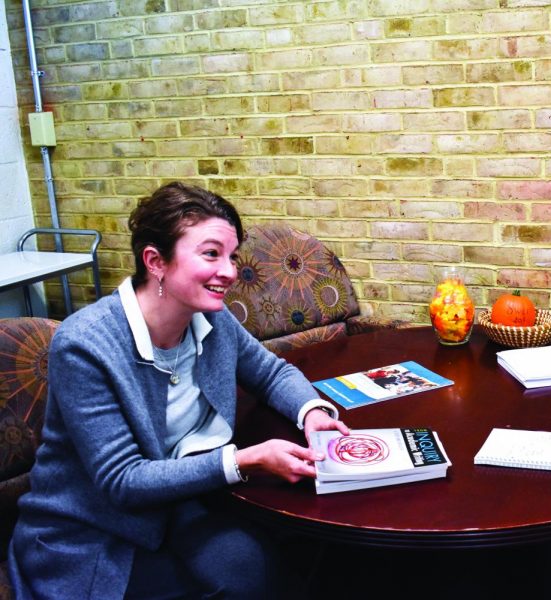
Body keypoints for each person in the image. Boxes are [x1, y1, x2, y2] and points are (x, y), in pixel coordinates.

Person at [8, 182, 350, 599]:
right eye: (211, 254)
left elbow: (272, 374)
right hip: (94, 530)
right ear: (155, 261)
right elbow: (123, 480)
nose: (229, 271)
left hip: (183, 505)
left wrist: (313, 415)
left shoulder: (211, 318)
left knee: (272, 567)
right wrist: (243, 461)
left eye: (231, 256)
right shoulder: (84, 345)